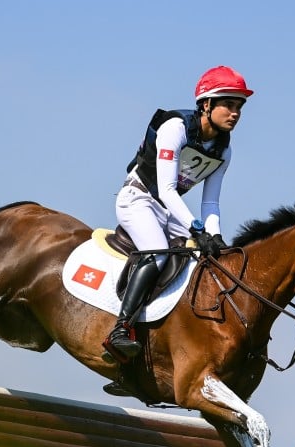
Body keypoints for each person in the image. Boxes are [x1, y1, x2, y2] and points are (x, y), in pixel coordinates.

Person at [103, 65, 253, 361]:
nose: (235, 113)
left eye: (239, 107)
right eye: (228, 105)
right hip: (139, 198)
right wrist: (198, 230)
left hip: (170, 211)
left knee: (203, 261)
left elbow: (211, 203)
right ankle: (120, 329)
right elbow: (168, 189)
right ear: (206, 104)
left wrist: (216, 238)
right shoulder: (176, 128)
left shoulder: (224, 150)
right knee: (158, 254)